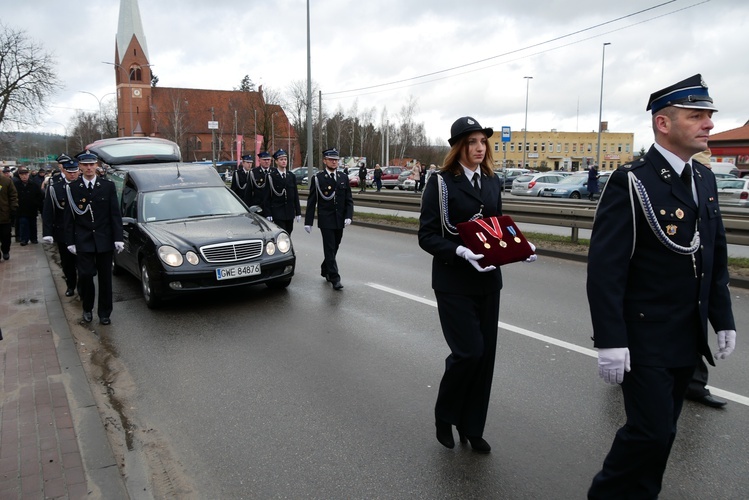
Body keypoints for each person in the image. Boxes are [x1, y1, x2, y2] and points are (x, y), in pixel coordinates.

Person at [586, 74, 736, 499]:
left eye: (709, 115)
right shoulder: (632, 182)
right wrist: (610, 340)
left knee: (664, 434)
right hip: (644, 336)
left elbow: (714, 257)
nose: (708, 124)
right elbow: (605, 271)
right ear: (664, 124)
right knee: (649, 432)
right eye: (697, 116)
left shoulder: (704, 180)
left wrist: (722, 318)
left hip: (685, 337)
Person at [418, 116, 503, 454]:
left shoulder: (493, 182)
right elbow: (426, 235)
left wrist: (518, 249)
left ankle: (472, 426)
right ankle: (445, 412)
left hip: (489, 280)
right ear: (458, 148)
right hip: (454, 280)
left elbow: (497, 229)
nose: (479, 148)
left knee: (485, 360)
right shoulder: (440, 184)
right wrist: (459, 251)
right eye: (471, 142)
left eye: (483, 141)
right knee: (469, 352)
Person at [64, 151, 124, 325]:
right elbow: (69, 217)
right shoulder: (73, 188)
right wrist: (70, 241)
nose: (89, 168)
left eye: (92, 164)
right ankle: (87, 308)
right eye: (85, 165)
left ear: (96, 165)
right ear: (80, 167)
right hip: (83, 240)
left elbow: (115, 214)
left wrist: (118, 237)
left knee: (105, 279)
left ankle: (104, 313)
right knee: (86, 276)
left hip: (104, 240)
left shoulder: (107, 186)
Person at [304, 148, 353, 291]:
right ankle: (335, 278)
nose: (334, 162)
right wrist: (308, 222)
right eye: (331, 159)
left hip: (340, 219)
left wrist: (349, 215)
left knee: (335, 246)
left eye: (336, 159)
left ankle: (325, 267)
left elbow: (349, 200)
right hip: (326, 220)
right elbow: (312, 201)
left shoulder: (343, 177)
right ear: (325, 161)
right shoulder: (318, 178)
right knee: (330, 247)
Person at [42, 158, 80, 297]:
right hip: (63, 232)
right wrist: (48, 232)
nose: (73, 175)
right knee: (67, 262)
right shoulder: (55, 188)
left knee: (83, 263)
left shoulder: (83, 187)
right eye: (69, 172)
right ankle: (71, 284)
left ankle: (82, 286)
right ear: (64, 170)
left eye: (75, 171)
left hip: (82, 232)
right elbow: (48, 212)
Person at [267, 149, 301, 234]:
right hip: (278, 212)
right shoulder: (271, 176)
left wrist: (298, 212)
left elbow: (295, 195)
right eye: (281, 160)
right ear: (276, 162)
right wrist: (268, 213)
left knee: (289, 232)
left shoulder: (291, 176)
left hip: (289, 212)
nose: (284, 161)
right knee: (282, 234)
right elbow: (267, 197)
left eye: (285, 159)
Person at [13, 167, 44, 245]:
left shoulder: (34, 184)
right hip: (21, 209)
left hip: (32, 208)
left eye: (25, 174)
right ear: (19, 175)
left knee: (32, 224)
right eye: (22, 175)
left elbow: (40, 195)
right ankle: (24, 239)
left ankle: (34, 238)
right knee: (23, 224)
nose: (24, 176)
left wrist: (36, 204)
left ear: (28, 175)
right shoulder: (15, 185)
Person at [244, 151, 271, 217]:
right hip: (258, 206)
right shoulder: (254, 173)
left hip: (272, 207)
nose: (267, 161)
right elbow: (248, 192)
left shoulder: (274, 172)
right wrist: (248, 208)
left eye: (268, 160)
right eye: (264, 160)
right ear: (259, 161)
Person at [0, 166, 18, 261]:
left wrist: (13, 208)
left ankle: (5, 250)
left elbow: (13, 195)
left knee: (6, 236)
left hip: (5, 215)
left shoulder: (6, 181)